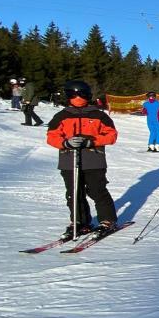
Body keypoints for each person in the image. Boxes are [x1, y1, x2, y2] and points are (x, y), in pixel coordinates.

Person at [45, 79, 119, 239]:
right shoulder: (62, 116)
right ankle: (80, 221)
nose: (77, 98)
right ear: (68, 96)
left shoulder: (98, 115)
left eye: (81, 95)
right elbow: (51, 136)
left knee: (97, 190)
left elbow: (112, 135)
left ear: (88, 96)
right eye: (73, 95)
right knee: (73, 193)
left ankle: (108, 220)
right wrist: (65, 143)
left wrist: (92, 141)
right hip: (69, 160)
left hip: (93, 159)